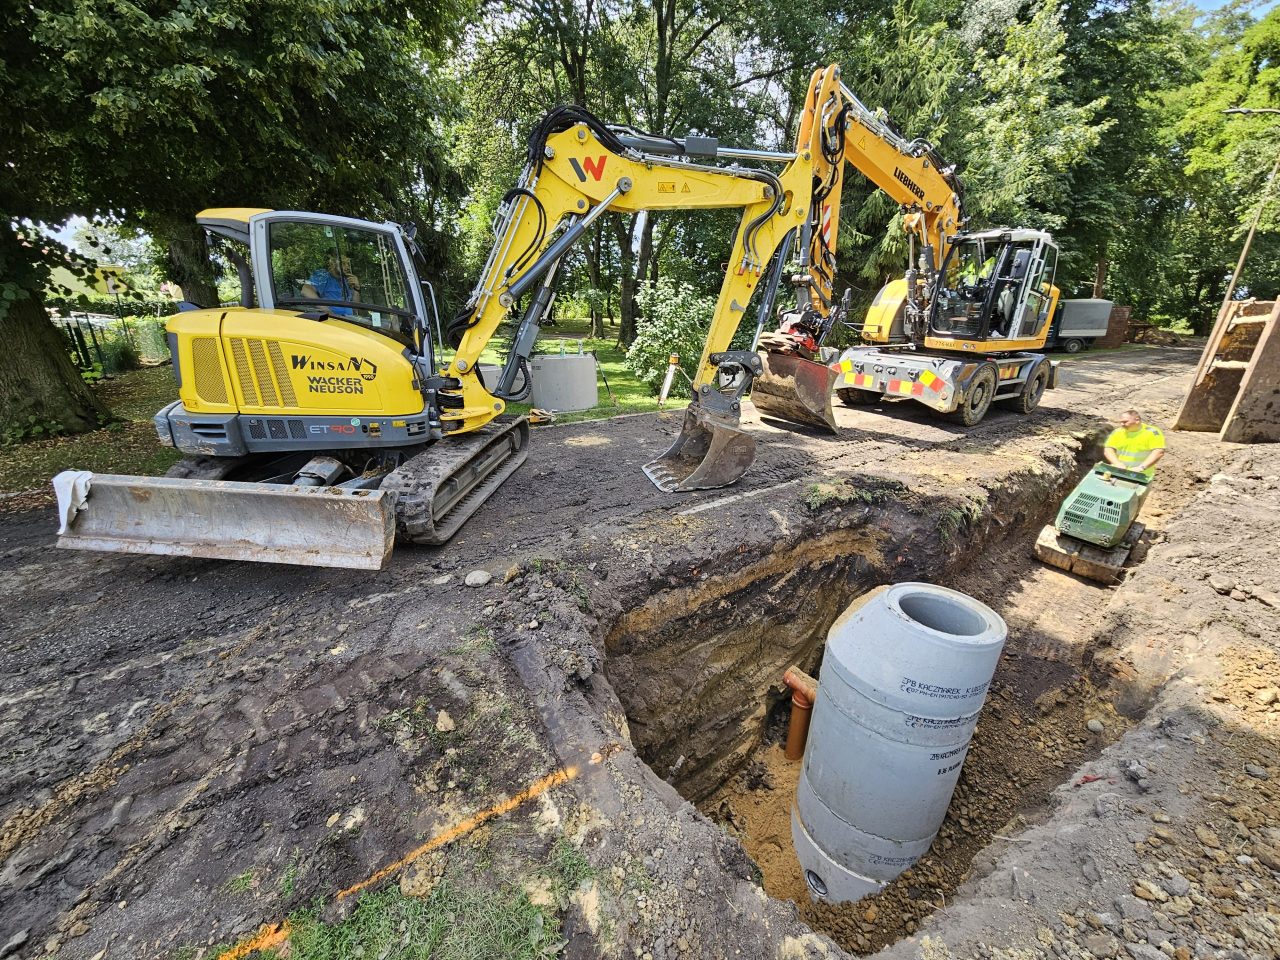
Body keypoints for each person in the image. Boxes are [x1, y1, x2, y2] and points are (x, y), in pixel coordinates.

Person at [1103, 409, 1166, 479]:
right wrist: (1117, 463)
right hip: (1118, 472)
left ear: (1137, 420)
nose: (1122, 424)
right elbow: (1108, 449)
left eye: (1125, 422)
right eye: (1120, 422)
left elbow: (1159, 452)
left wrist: (1141, 468)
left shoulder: (1152, 432)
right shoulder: (1117, 432)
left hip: (1142, 475)